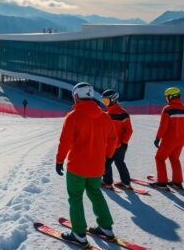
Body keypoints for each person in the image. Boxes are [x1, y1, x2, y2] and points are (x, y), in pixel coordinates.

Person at [56, 82, 118, 247]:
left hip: (77, 167)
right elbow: (113, 139)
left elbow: (65, 142)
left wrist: (59, 160)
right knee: (95, 193)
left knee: (75, 198)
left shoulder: (73, 116)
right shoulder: (104, 116)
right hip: (97, 167)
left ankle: (79, 234)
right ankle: (106, 228)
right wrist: (107, 157)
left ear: (76, 96)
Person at [152, 87, 184, 189]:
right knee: (174, 159)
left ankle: (162, 182)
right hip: (180, 141)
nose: (166, 99)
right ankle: (177, 182)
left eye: (167, 97)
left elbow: (163, 126)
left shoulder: (168, 109)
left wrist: (158, 138)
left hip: (169, 140)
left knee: (159, 158)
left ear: (171, 97)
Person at [101, 89, 133, 189]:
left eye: (106, 101)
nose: (105, 103)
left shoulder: (107, 115)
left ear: (113, 100)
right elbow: (129, 131)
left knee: (106, 163)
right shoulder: (124, 113)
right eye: (103, 101)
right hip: (121, 146)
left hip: (110, 145)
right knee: (120, 162)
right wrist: (124, 143)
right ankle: (126, 183)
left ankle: (108, 183)